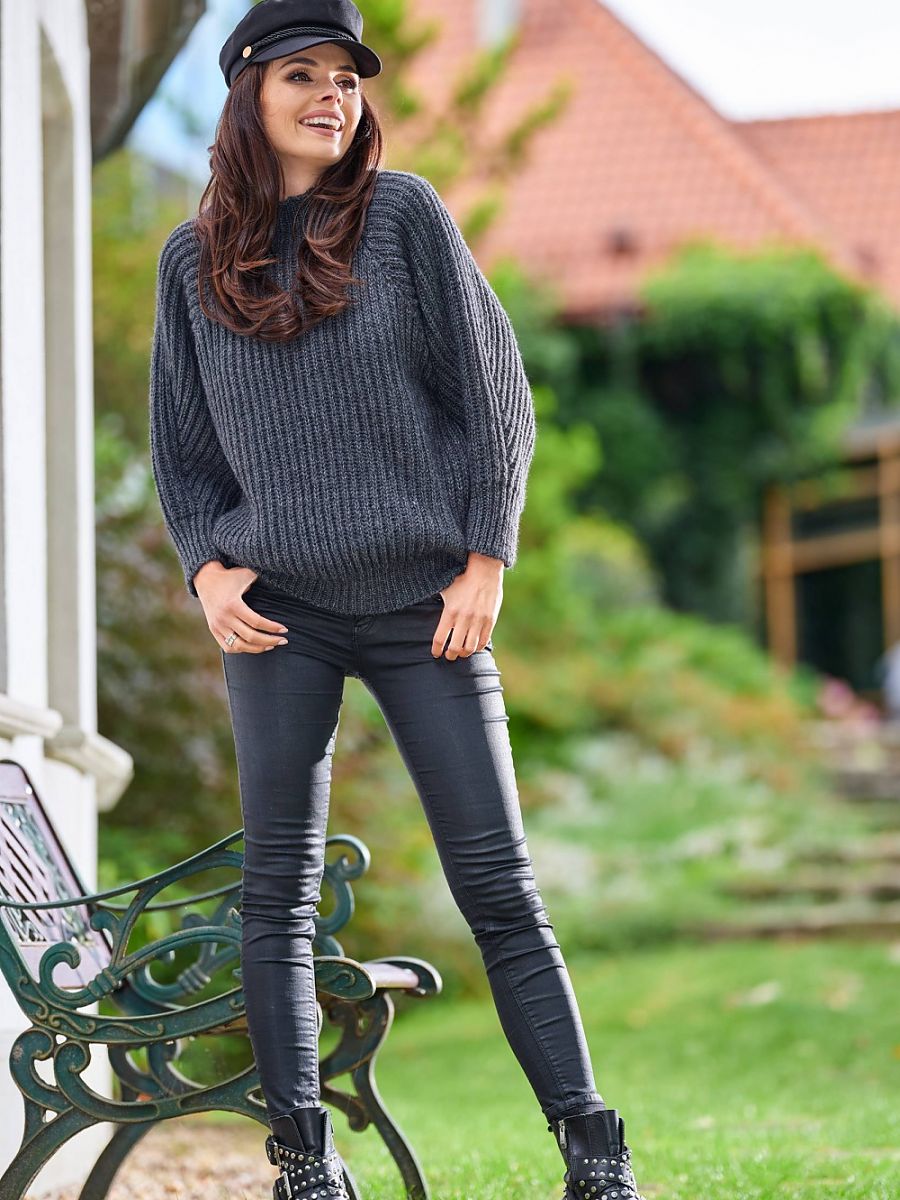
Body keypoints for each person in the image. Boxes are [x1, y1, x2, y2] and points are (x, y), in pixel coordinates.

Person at [148, 2, 646, 1198]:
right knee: (276, 898)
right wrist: (207, 570)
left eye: (347, 79)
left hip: (428, 605)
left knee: (499, 891)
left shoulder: (406, 217)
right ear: (247, 92)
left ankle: (594, 1156)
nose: (333, 96)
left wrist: (487, 559)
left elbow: (497, 394)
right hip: (280, 614)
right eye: (303, 76)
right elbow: (183, 448)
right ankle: (303, 1166)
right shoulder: (191, 260)